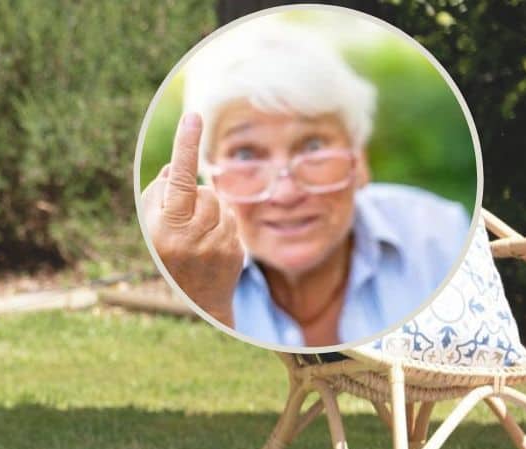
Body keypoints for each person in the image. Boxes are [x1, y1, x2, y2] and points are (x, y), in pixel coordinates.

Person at [140, 22, 471, 348]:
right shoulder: (191, 272)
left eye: (313, 147)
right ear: (211, 180)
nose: (285, 194)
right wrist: (208, 303)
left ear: (360, 163)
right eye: (245, 154)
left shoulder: (439, 236)